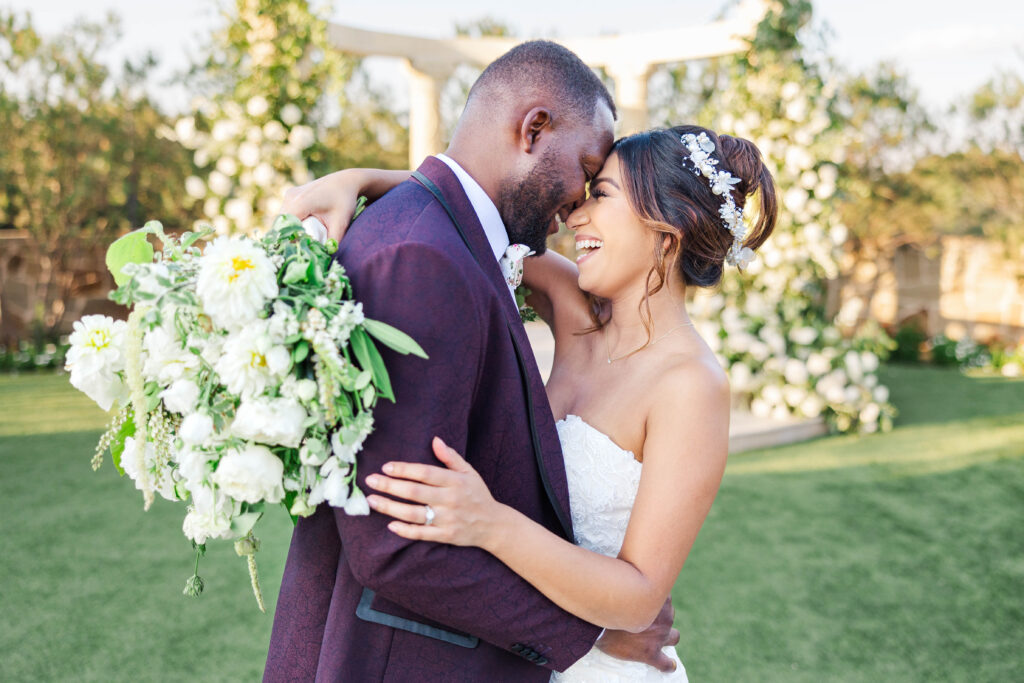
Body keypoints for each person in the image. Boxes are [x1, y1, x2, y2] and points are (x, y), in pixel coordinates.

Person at [283, 121, 777, 681]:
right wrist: (362, 178)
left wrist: (489, 523)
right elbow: (468, 212)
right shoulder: (573, 309)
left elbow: (640, 597)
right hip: (511, 651)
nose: (575, 216)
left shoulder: (692, 385)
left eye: (603, 195)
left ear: (669, 230)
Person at [264, 41, 683, 682]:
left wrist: (369, 179)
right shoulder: (425, 258)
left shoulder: (449, 238)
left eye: (603, 193)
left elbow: (454, 193)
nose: (575, 209)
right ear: (533, 128)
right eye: (586, 172)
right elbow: (395, 543)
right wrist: (590, 637)